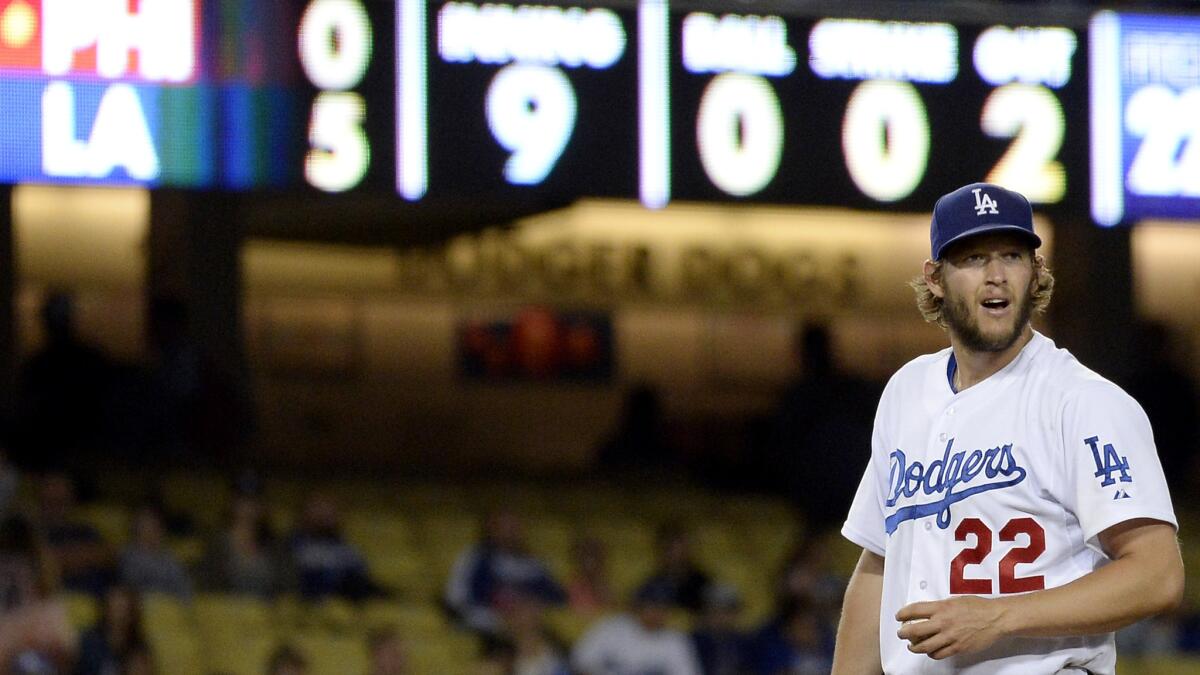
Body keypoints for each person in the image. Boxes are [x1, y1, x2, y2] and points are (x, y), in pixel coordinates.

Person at [833, 183, 1183, 674]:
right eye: (974, 258)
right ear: (934, 278)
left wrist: (1000, 616)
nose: (996, 276)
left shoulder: (1084, 402)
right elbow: (880, 563)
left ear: (1036, 272)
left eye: (1013, 256)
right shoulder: (906, 391)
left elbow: (1157, 575)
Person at [444, 510, 566, 637]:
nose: (511, 532)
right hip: (485, 626)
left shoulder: (533, 562)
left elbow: (557, 596)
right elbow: (456, 598)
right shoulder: (475, 557)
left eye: (514, 526)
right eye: (505, 526)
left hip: (530, 625)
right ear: (491, 529)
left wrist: (530, 605)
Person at [572, 579, 702, 675]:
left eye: (663, 607)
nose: (657, 612)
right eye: (651, 605)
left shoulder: (676, 641)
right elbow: (581, 662)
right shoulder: (611, 628)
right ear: (638, 605)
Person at [286, 492, 381, 602]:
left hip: (349, 604)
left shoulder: (346, 547)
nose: (324, 515)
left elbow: (360, 575)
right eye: (318, 509)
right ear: (304, 514)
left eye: (329, 510)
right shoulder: (291, 546)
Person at [118, 503, 193, 599]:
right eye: (146, 526)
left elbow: (183, 585)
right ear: (137, 530)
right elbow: (133, 585)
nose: (154, 531)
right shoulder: (128, 555)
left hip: (170, 607)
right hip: (144, 606)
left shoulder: (169, 556)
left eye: (156, 526)